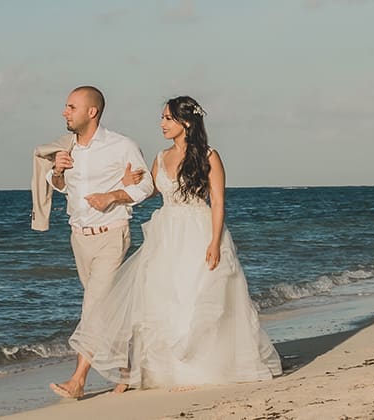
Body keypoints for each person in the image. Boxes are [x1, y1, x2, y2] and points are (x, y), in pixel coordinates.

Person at [66, 95, 282, 392]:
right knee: (160, 296)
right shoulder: (160, 156)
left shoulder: (208, 156)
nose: (162, 124)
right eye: (163, 118)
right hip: (165, 233)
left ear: (187, 123)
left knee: (195, 295)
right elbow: (151, 191)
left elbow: (218, 202)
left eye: (168, 118)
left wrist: (215, 242)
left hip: (197, 229)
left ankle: (197, 368)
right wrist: (125, 183)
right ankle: (161, 370)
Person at [45, 86, 156, 399]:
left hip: (111, 233)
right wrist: (57, 171)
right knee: (106, 310)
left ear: (91, 112)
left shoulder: (122, 145)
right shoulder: (69, 148)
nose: (65, 112)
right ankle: (128, 371)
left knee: (93, 309)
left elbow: (147, 184)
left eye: (71, 107)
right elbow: (58, 187)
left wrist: (114, 196)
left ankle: (78, 380)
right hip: (79, 238)